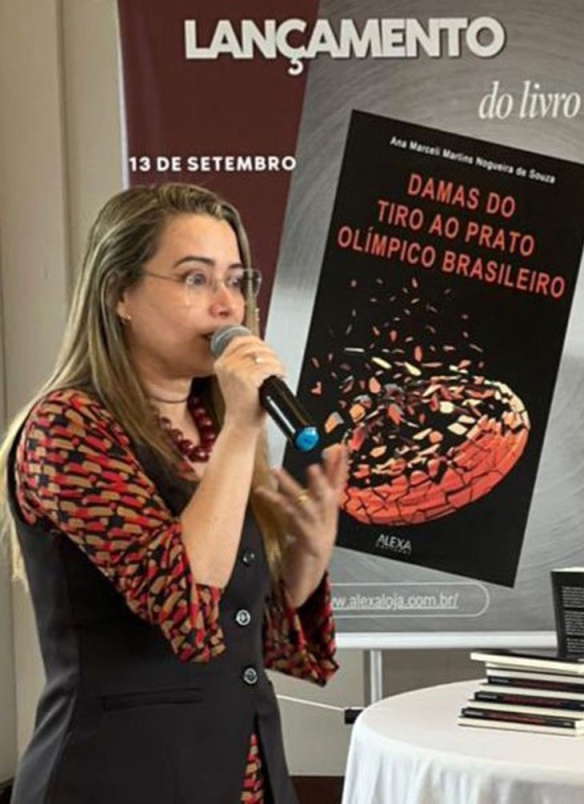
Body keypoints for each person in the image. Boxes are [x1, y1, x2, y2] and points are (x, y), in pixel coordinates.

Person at [1, 183, 349, 804]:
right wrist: (243, 429)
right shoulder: (67, 428)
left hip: (242, 776)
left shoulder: (213, 424)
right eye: (195, 279)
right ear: (119, 293)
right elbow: (185, 601)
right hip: (118, 780)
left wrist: (305, 557)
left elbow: (241, 632)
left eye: (236, 280)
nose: (227, 305)